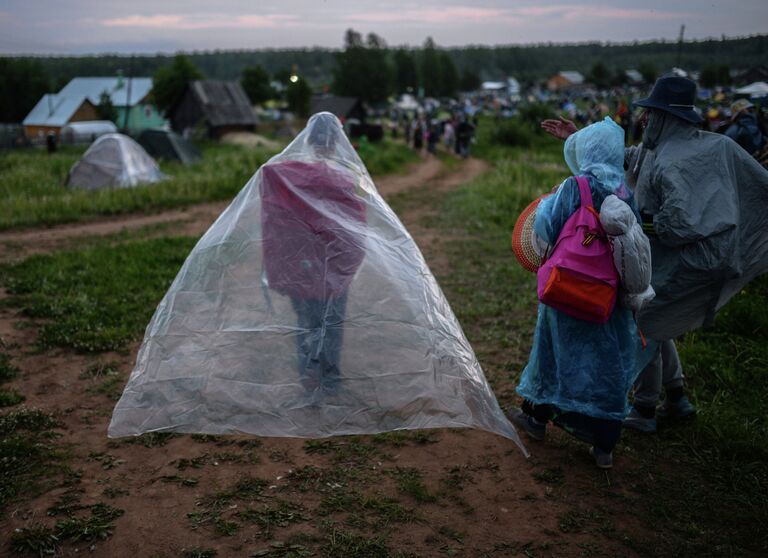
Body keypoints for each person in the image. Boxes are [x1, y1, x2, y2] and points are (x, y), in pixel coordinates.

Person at [542, 75, 768, 433]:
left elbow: (679, 224)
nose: (644, 119)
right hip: (683, 252)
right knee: (658, 318)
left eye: (651, 113)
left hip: (694, 258)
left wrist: (631, 225)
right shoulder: (662, 148)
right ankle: (676, 396)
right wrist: (579, 136)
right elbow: (623, 157)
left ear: (667, 117)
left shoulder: (674, 161)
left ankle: (645, 409)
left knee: (643, 320)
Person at [509, 117, 641, 469]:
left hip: (568, 288)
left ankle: (536, 419)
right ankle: (604, 446)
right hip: (607, 297)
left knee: (554, 353)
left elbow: (545, 229)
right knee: (606, 364)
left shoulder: (575, 186)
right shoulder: (626, 192)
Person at [260, 113, 367, 399]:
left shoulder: (286, 175)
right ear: (337, 141)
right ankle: (330, 381)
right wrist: (348, 266)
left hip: (299, 268)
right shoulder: (343, 179)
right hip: (332, 269)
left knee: (306, 324)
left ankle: (308, 377)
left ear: (307, 138)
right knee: (330, 324)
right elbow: (355, 229)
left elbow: (275, 217)